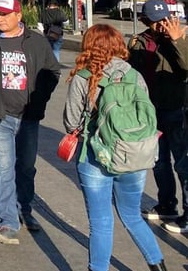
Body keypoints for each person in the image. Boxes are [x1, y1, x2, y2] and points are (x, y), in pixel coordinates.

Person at [63, 24, 166, 271]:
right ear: (118, 45)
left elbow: (71, 122)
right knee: (131, 216)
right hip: (133, 155)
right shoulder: (134, 75)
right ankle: (158, 266)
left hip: (95, 157)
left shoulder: (83, 78)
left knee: (100, 223)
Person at [0, 0, 61, 244]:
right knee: (3, 168)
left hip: (28, 117)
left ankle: (25, 210)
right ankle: (8, 222)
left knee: (26, 167)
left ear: (18, 16)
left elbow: (53, 71)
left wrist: (39, 99)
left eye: (4, 14)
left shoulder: (36, 42)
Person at [128, 0, 188, 230]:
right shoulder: (138, 42)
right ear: (146, 21)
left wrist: (177, 41)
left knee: (182, 164)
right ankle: (166, 205)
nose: (161, 25)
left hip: (175, 110)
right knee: (159, 162)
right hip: (150, 111)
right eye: (155, 21)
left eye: (164, 19)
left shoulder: (179, 38)